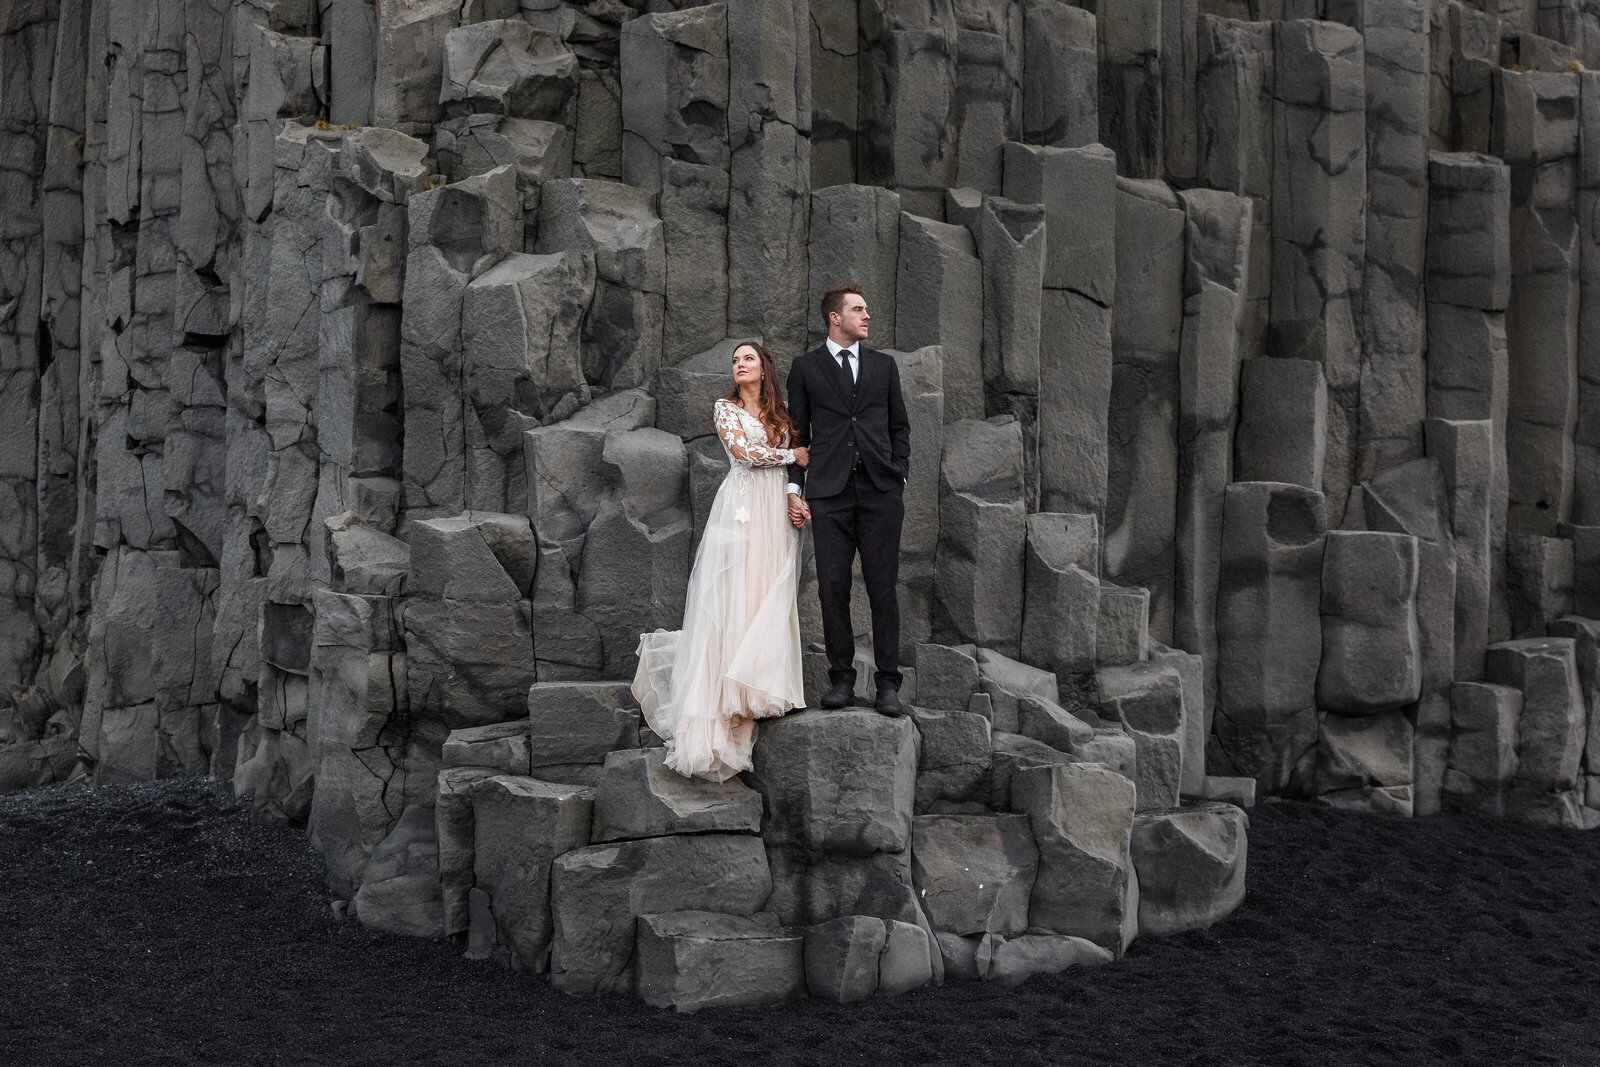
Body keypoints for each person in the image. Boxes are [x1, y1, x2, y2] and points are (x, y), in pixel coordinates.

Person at [631, 342, 810, 781]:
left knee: (768, 590)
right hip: (743, 505)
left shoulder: (783, 414)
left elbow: (793, 472)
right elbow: (745, 454)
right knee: (734, 593)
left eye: (747, 358)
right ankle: (722, 701)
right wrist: (793, 454)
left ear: (764, 368)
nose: (739, 365)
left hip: (774, 511)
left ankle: (752, 694)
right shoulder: (725, 409)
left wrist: (796, 496)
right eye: (735, 360)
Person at [785, 285, 910, 717]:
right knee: (832, 586)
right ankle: (841, 679)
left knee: (882, 588)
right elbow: (798, 436)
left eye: (867, 308)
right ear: (834, 317)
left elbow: (900, 426)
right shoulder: (805, 368)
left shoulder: (884, 366)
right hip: (829, 492)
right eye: (858, 309)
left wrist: (900, 475)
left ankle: (888, 684)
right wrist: (795, 488)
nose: (867, 315)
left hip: (880, 491)